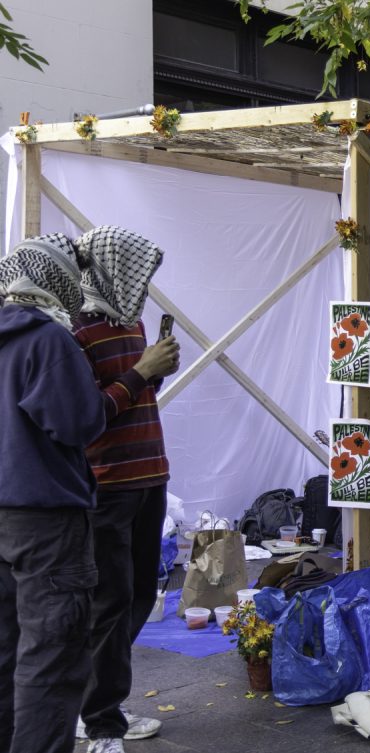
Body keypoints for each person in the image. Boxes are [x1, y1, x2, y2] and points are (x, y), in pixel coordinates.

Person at [71, 227, 179, 753]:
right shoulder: (75, 330)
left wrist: (154, 372)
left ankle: (94, 700)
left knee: (137, 594)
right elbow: (86, 417)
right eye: (138, 269)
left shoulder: (129, 321)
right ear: (113, 267)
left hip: (149, 476)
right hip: (109, 485)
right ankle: (101, 722)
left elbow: (134, 394)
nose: (144, 281)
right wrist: (141, 372)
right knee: (109, 604)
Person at [0, 234, 108, 753]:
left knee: (6, 650)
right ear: (57, 282)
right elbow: (78, 424)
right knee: (51, 658)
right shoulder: (48, 339)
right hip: (44, 521)